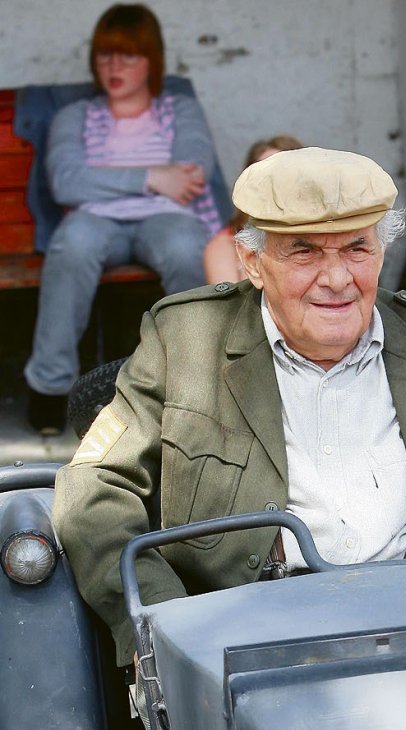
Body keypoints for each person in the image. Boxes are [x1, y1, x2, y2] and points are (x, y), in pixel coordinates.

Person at [52, 145, 406, 668]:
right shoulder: (185, 341)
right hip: (256, 648)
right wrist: (168, 630)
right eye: (304, 252)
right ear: (253, 262)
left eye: (356, 249)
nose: (336, 279)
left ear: (381, 252)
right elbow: (94, 493)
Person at [23, 3, 223, 435]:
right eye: (105, 55)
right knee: (72, 245)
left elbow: (192, 173)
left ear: (151, 60)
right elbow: (66, 182)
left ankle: (200, 381)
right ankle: (49, 387)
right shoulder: (74, 116)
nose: (114, 66)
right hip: (96, 221)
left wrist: (111, 179)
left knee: (187, 246)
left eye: (128, 55)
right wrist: (153, 175)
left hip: (166, 218)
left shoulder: (179, 110)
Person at [203, 133, 304, 285]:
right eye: (264, 174)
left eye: (284, 173)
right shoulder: (226, 245)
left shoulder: (329, 237)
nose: (274, 183)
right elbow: (229, 307)